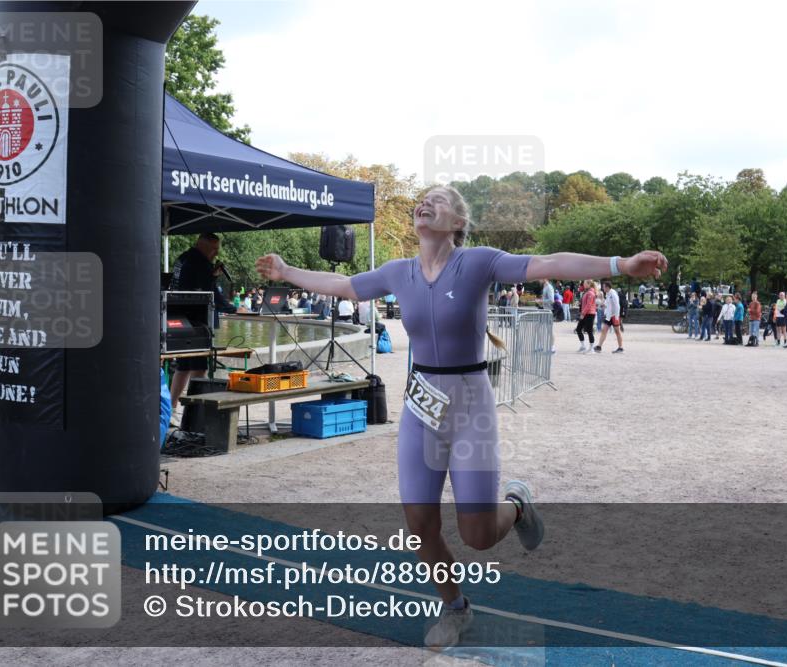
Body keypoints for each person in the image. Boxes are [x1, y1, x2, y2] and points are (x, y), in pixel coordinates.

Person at [256, 185, 667, 649]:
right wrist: (286, 271)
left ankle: (516, 505)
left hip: (471, 404)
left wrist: (621, 265)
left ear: (457, 223)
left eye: (440, 199)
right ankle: (456, 608)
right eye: (422, 198)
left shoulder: (479, 262)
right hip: (421, 405)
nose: (425, 203)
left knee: (477, 536)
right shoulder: (399, 272)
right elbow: (345, 285)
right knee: (420, 526)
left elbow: (550, 262)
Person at [167, 232, 237, 411]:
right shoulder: (200, 262)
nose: (216, 253)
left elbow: (191, 285)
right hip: (196, 321)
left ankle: (172, 407)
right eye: (213, 249)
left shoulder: (183, 258)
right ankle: (197, 411)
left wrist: (212, 275)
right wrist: (233, 308)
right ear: (201, 245)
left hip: (178, 319)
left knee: (183, 366)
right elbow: (209, 293)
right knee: (199, 368)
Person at [595, 281, 624, 353]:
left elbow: (617, 306)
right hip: (609, 316)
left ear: (607, 287)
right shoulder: (608, 294)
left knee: (617, 331)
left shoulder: (613, 294)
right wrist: (603, 305)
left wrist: (617, 317)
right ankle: (599, 346)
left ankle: (620, 348)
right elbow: (608, 304)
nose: (603, 288)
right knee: (604, 330)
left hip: (614, 316)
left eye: (604, 287)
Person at [576, 279, 598, 353]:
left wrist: (582, 314)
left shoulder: (591, 293)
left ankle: (591, 348)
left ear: (589, 284)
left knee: (589, 331)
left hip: (589, 314)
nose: (583, 284)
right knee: (579, 329)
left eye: (585, 283)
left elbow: (588, 305)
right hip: (586, 313)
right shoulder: (587, 292)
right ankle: (583, 346)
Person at [540, 279, 557, 353]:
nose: (538, 280)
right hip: (545, 310)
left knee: (550, 330)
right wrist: (541, 302)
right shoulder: (545, 286)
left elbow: (552, 300)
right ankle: (541, 345)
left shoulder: (549, 287)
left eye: (540, 278)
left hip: (549, 311)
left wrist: (541, 301)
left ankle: (552, 347)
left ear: (545, 278)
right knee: (538, 328)